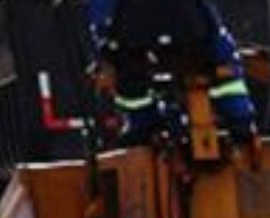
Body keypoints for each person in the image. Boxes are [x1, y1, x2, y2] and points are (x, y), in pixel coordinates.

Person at [87, 0, 256, 143]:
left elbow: (101, 18)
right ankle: (239, 119)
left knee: (129, 74)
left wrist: (104, 46)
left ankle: (142, 126)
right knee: (223, 63)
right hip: (191, 28)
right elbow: (211, 24)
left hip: (135, 36)